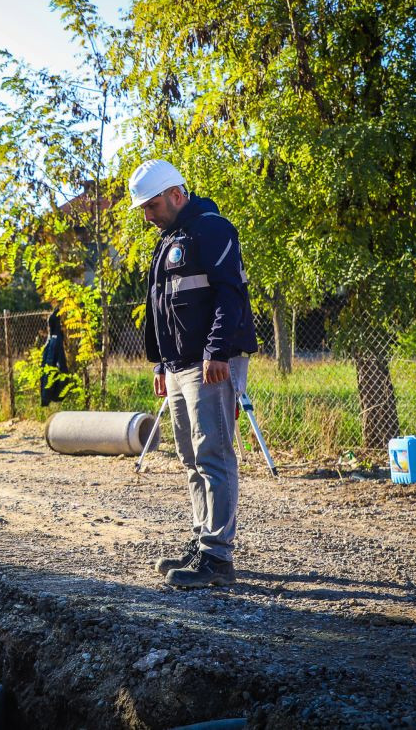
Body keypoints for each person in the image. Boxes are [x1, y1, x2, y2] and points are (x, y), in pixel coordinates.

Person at [130, 158, 258, 589]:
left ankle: (218, 559)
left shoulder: (212, 228)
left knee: (213, 454)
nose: (147, 216)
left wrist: (218, 351)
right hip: (180, 363)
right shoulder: (169, 239)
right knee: (189, 457)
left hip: (210, 362)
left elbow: (230, 295)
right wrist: (161, 363)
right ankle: (204, 541)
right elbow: (161, 309)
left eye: (152, 206)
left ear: (177, 195)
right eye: (144, 208)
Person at [40, 309, 69, 407]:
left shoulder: (52, 339)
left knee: (49, 374)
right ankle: (48, 397)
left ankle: (47, 397)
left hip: (52, 385)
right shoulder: (54, 340)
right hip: (55, 387)